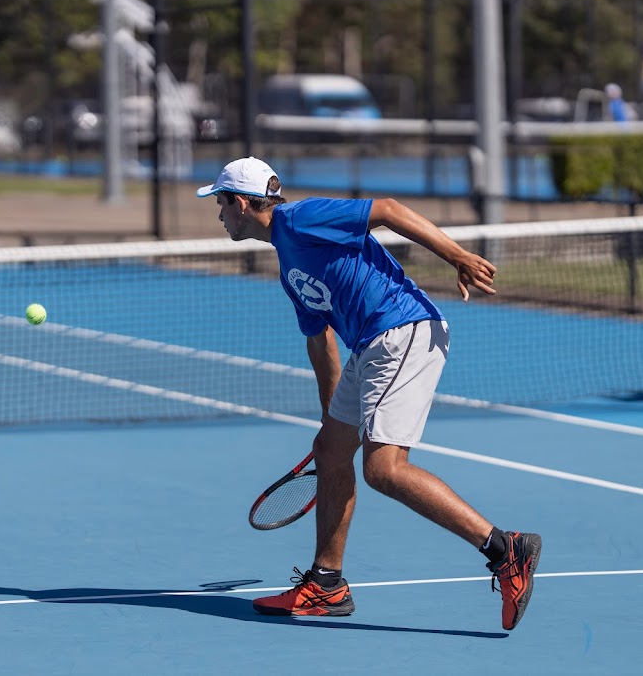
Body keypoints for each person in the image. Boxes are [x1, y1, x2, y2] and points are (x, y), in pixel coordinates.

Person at [196, 157, 542, 631]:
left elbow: (388, 209)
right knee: (331, 452)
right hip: (370, 345)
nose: (218, 215)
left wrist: (457, 257)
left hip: (402, 329)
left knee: (384, 470)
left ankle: (506, 551)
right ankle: (326, 584)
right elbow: (320, 340)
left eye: (220, 203)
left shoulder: (301, 218)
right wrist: (330, 419)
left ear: (240, 203)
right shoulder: (287, 264)